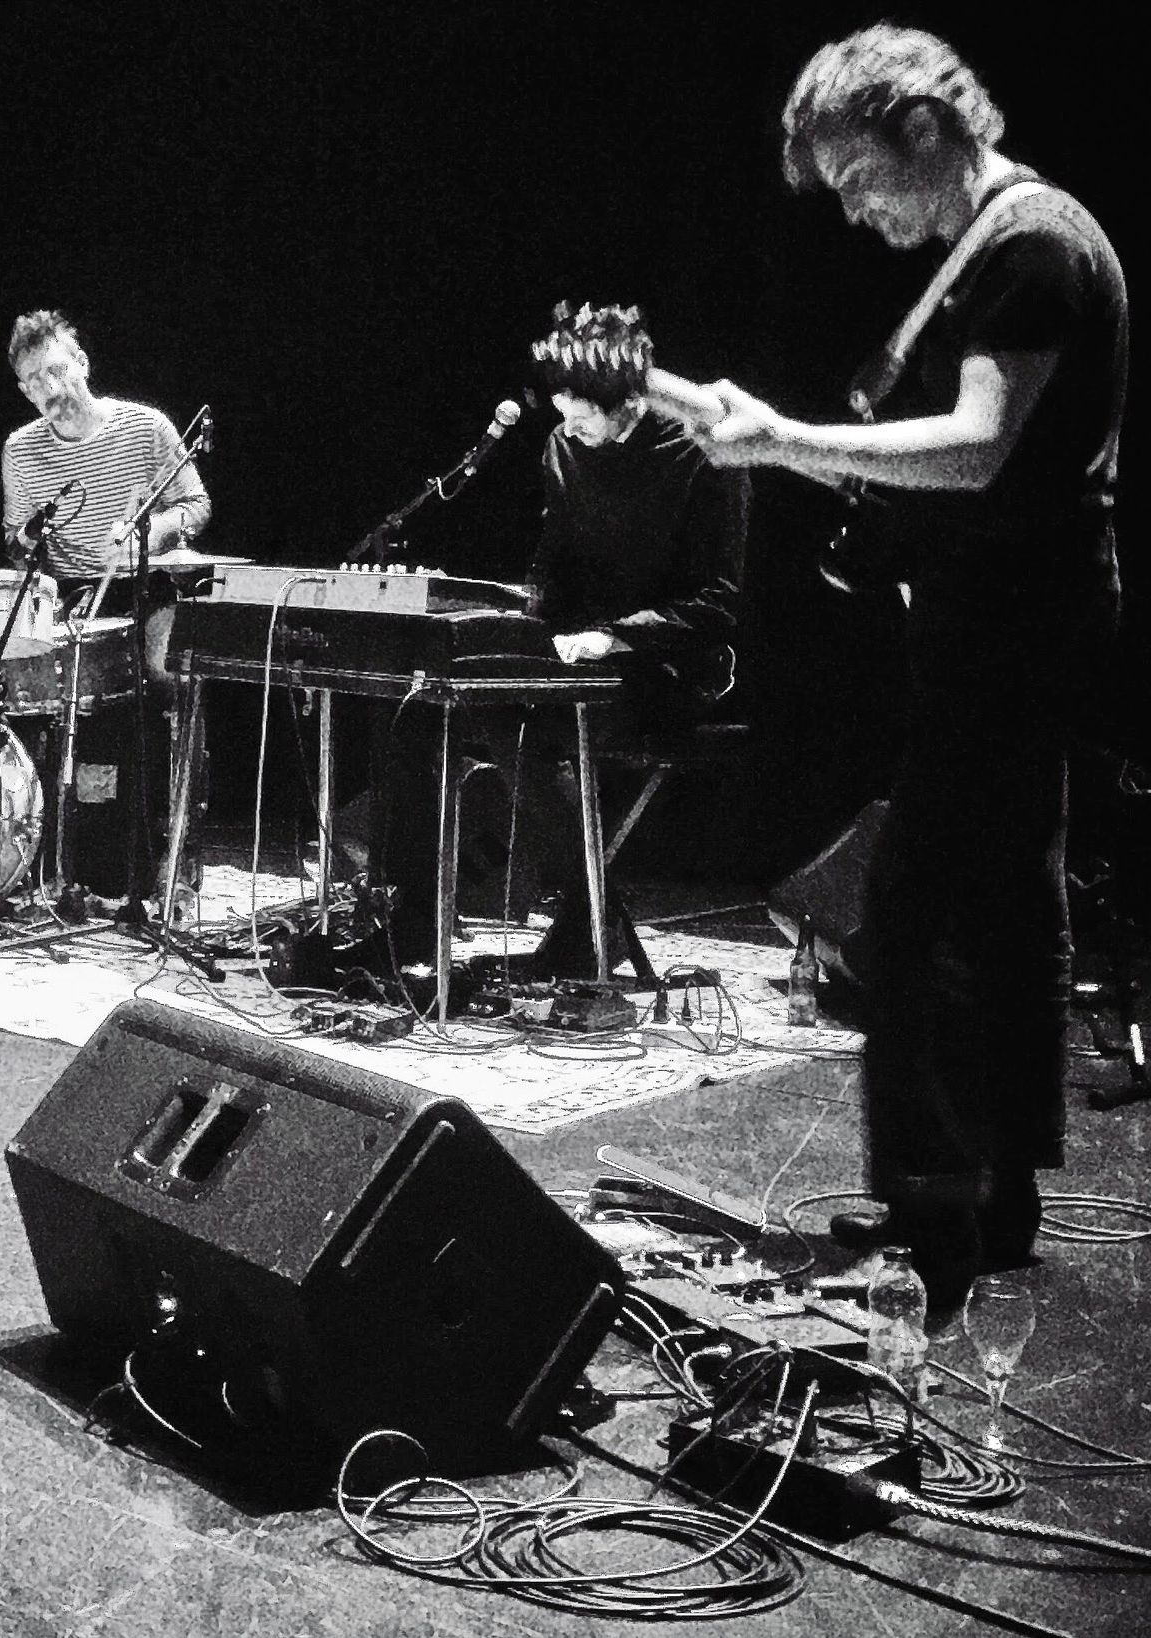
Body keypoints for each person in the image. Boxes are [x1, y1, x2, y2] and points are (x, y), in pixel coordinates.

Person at [690, 27, 1126, 1315]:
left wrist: (783, 437)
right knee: (1002, 902)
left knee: (913, 906)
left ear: (923, 129)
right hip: (1007, 617)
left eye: (858, 179)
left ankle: (937, 1210)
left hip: (1015, 623)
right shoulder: (1003, 244)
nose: (855, 213)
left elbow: (980, 447)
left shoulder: (1033, 248)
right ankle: (993, 1199)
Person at [368, 303, 748, 974]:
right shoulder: (562, 447)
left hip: (669, 666)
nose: (568, 428)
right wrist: (503, 612)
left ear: (626, 398)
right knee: (418, 711)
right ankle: (412, 926)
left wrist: (614, 638)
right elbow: (554, 573)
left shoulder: (702, 452)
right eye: (563, 413)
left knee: (521, 730)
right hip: (577, 654)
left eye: (582, 415)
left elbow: (717, 602)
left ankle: (589, 922)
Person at [0, 311, 212, 901]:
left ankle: (177, 851)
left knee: (169, 674)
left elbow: (195, 504)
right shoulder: (20, 450)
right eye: (33, 382)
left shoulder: (146, 428)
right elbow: (18, 541)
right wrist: (29, 559)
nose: (48, 389)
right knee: (20, 688)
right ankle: (42, 851)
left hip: (145, 585)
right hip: (70, 594)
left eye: (55, 372)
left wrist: (149, 533)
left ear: (82, 365)